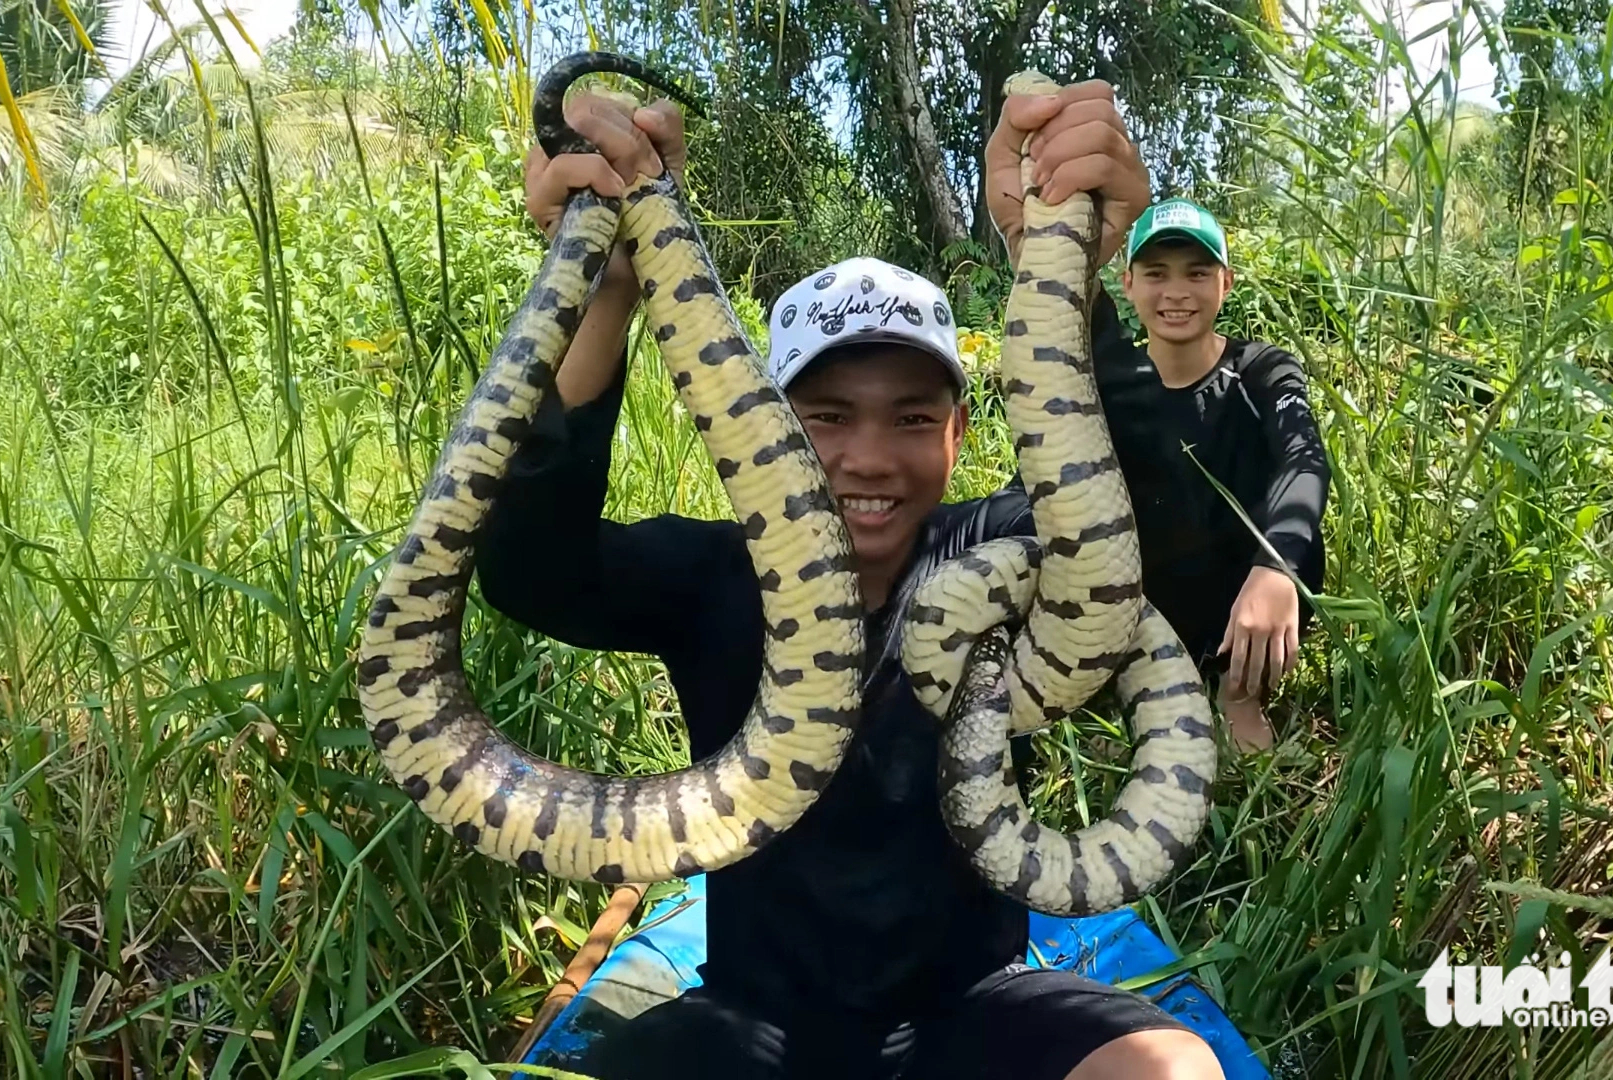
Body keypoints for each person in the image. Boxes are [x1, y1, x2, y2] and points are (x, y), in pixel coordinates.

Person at [476, 85, 1228, 1079]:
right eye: (827, 416)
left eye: (913, 418)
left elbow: (1160, 547)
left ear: (960, 436)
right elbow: (533, 571)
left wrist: (1071, 278)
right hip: (757, 1027)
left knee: (1166, 1069)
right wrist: (606, 286)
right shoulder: (711, 574)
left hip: (974, 1010)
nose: (870, 456)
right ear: (768, 430)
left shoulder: (999, 551)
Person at [1072, 196, 1332, 751]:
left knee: (1299, 535)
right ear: (1129, 283)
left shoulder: (1261, 368)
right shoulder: (1113, 381)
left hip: (1244, 590)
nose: (1176, 292)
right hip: (1143, 599)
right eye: (1157, 274)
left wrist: (1277, 566)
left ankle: (1239, 689)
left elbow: (1304, 459)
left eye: (1197, 272)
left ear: (1225, 282)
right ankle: (1130, 685)